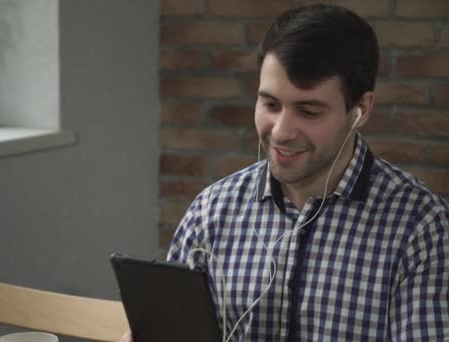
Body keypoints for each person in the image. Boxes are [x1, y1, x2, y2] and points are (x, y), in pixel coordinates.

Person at [120, 3, 448, 341]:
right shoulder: (211, 211)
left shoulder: (421, 229)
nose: (280, 131)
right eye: (270, 104)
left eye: (308, 111)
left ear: (360, 110)